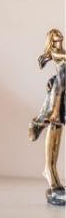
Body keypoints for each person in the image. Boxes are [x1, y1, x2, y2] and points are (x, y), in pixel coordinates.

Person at [29, 28, 66, 207]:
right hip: (58, 94)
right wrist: (46, 56)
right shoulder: (56, 53)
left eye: (61, 39)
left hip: (63, 92)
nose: (59, 43)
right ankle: (50, 170)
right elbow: (45, 60)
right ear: (52, 41)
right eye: (56, 40)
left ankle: (51, 171)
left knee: (57, 125)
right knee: (55, 123)